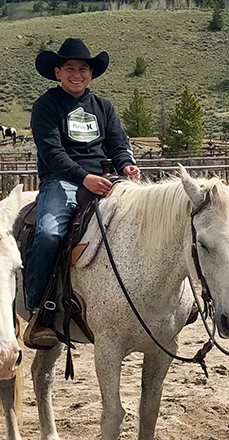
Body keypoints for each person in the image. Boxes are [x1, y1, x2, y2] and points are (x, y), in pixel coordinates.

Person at [25, 38, 140, 348]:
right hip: (62, 180)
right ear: (58, 72)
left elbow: (118, 144)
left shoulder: (103, 106)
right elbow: (52, 152)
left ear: (91, 74)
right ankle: (38, 311)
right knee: (49, 232)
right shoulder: (47, 106)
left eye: (84, 69)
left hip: (107, 179)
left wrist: (127, 165)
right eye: (71, 68)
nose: (78, 74)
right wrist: (84, 177)